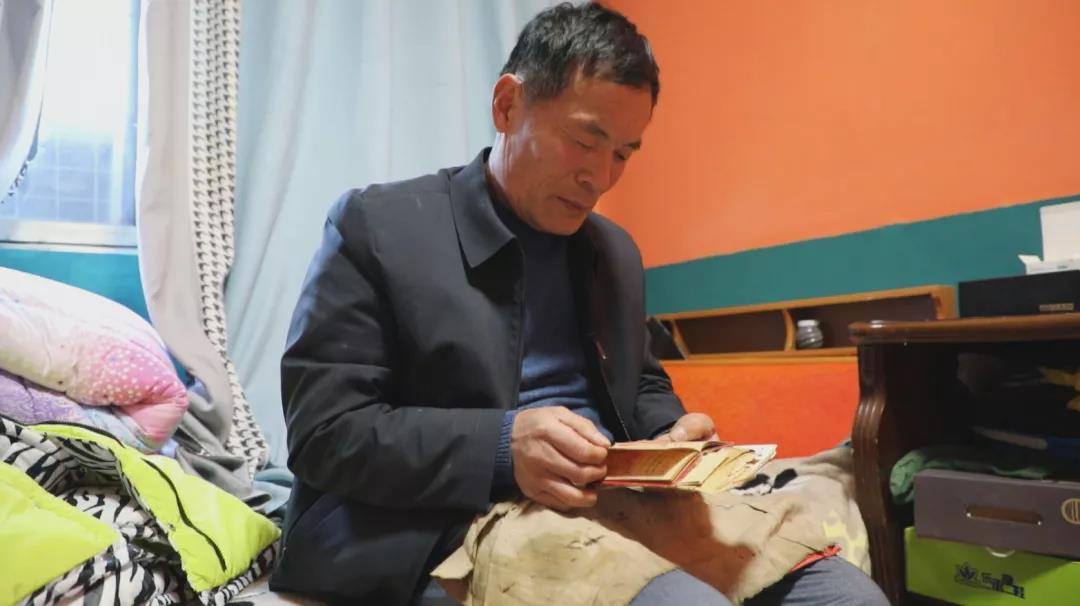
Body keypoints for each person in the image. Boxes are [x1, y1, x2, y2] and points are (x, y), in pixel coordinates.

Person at [271, 3, 889, 605]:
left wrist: (671, 434)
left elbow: (640, 382)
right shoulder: (378, 226)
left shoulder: (611, 251)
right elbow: (324, 432)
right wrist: (502, 448)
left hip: (606, 504)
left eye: (623, 152)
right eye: (584, 141)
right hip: (447, 520)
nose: (601, 177)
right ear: (507, 105)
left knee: (845, 593)